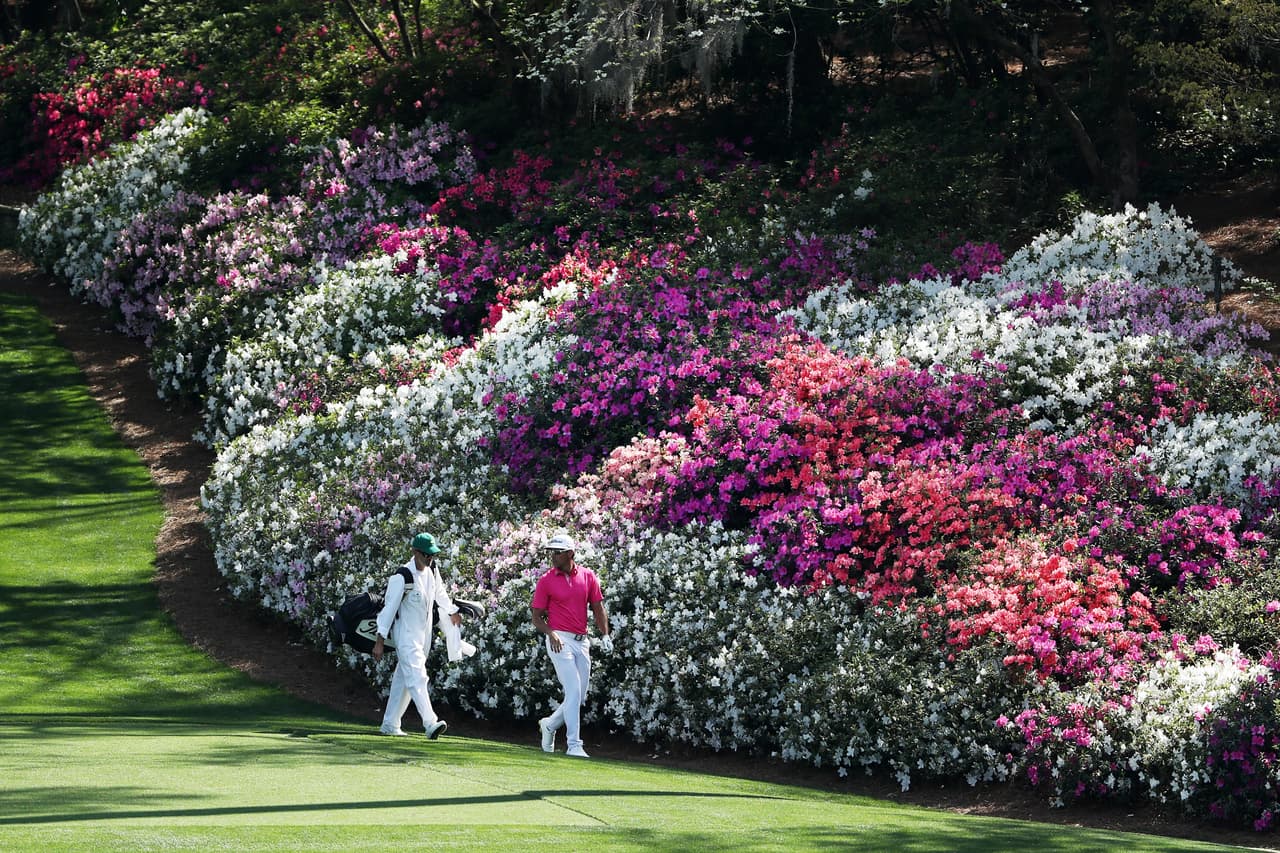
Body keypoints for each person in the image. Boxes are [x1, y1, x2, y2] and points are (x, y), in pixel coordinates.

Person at [530, 531, 611, 758]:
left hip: (581, 641)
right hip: (559, 640)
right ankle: (574, 744)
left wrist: (605, 635)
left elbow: (598, 608)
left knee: (579, 696)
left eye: (557, 552)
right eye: (551, 552)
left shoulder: (587, 576)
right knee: (573, 691)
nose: (553, 557)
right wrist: (551, 633)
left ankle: (550, 724)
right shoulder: (546, 580)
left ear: (570, 554)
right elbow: (536, 617)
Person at [373, 531, 462, 738]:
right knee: (418, 677)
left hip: (424, 636)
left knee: (404, 680)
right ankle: (430, 722)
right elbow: (388, 609)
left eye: (431, 555)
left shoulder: (432, 570)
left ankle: (390, 724)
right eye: (425, 555)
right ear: (415, 552)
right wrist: (380, 640)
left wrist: (452, 611)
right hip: (405, 636)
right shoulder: (402, 576)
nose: (429, 559)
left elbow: (440, 593)